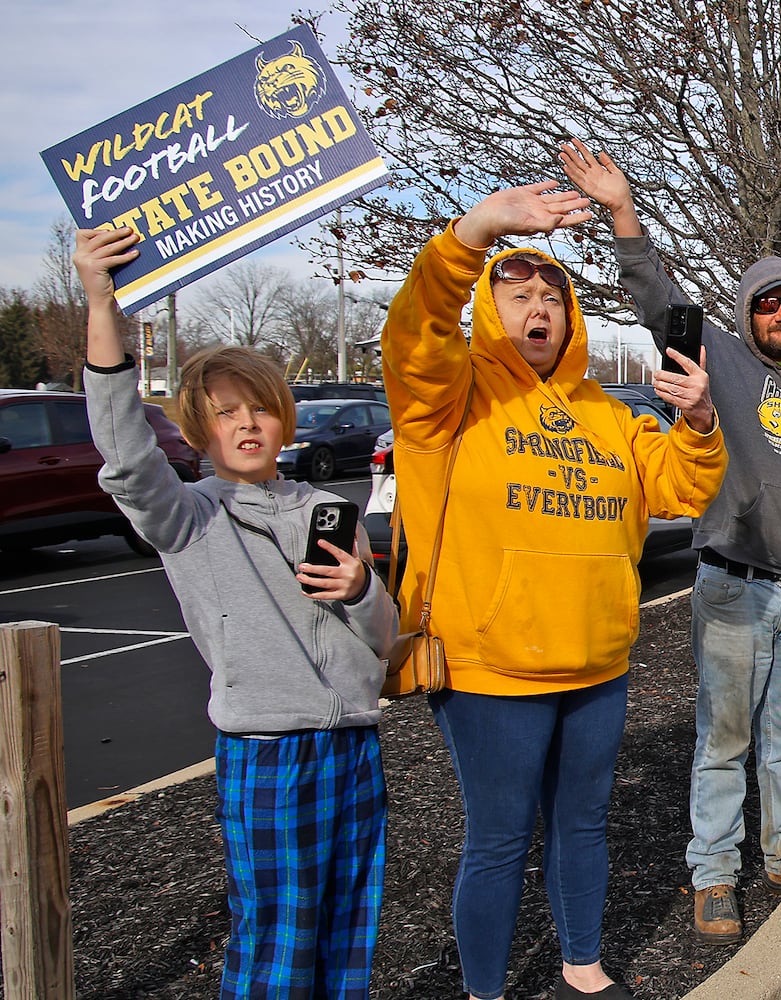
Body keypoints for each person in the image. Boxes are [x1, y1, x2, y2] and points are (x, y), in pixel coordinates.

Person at [559, 138, 781, 943]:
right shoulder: (719, 358)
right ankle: (714, 873)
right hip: (733, 584)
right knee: (723, 738)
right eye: (768, 304)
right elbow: (655, 295)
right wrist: (622, 212)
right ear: (747, 315)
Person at [380, 180, 726, 1000]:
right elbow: (417, 331)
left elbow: (679, 487)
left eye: (552, 298)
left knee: (582, 828)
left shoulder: (607, 413)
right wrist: (472, 236)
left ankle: (583, 969)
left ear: (571, 321)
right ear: (486, 310)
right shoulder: (448, 396)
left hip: (596, 664)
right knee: (499, 840)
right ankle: (485, 990)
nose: (538, 307)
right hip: (489, 667)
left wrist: (702, 421)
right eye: (518, 293)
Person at [73, 226, 399, 998]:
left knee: (349, 930)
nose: (247, 424)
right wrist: (98, 299)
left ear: (284, 418)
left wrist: (360, 590)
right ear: (198, 431)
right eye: (226, 414)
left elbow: (381, 643)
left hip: (352, 748)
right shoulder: (188, 517)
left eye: (260, 408)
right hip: (267, 753)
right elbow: (124, 454)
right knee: (277, 939)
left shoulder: (329, 507)